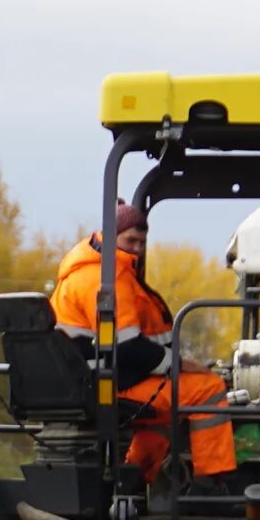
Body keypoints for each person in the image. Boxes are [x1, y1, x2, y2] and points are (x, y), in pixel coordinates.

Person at [50, 202, 231, 482]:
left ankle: (135, 479)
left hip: (99, 378)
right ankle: (214, 484)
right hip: (106, 382)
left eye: (142, 242)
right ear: (110, 237)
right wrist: (180, 365)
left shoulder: (97, 272)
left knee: (162, 415)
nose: (136, 248)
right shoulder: (106, 278)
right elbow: (126, 347)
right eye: (130, 240)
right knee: (209, 389)